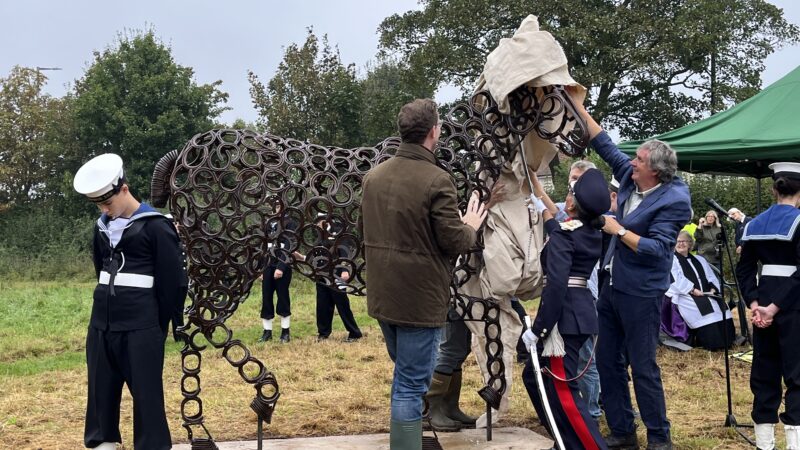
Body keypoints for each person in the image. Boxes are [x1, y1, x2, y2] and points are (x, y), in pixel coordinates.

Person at [569, 86, 692, 450]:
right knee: (608, 361)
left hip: (642, 292)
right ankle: (623, 431)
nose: (631, 162)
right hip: (612, 286)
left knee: (642, 367)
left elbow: (657, 249)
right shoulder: (630, 177)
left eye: (638, 160)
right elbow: (604, 144)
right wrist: (578, 108)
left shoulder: (674, 201)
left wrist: (619, 229)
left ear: (654, 170)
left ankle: (659, 437)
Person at [360, 98, 487, 449]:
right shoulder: (437, 180)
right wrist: (470, 226)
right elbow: (454, 241)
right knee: (411, 386)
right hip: (419, 300)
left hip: (384, 296)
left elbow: (366, 231)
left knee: (405, 377)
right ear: (435, 132)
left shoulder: (373, 177)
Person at [73, 153, 184, 450]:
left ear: (124, 188)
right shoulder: (101, 227)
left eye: (107, 203)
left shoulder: (156, 226)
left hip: (141, 327)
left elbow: (173, 282)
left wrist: (164, 325)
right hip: (101, 326)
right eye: (99, 205)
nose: (105, 210)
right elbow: (101, 271)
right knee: (100, 394)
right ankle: (103, 443)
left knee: (147, 397)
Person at [521, 168, 611, 450]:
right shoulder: (590, 230)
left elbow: (556, 286)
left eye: (569, 193)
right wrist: (542, 209)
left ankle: (590, 446)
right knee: (534, 377)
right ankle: (564, 439)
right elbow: (559, 229)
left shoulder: (567, 234)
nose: (566, 197)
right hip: (579, 311)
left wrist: (538, 331)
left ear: (572, 203)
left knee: (564, 392)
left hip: (563, 320)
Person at [735, 162, 800, 450]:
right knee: (797, 375)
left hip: (762, 303)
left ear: (774, 189)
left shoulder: (754, 224)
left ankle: (764, 444)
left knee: (764, 373)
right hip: (793, 306)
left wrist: (756, 304)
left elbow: (744, 270)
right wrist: (775, 307)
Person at [661, 231, 734, 350]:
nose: (681, 244)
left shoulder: (700, 259)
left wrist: (713, 288)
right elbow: (674, 279)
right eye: (678, 241)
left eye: (684, 241)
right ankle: (712, 343)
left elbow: (711, 276)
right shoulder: (671, 260)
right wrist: (692, 289)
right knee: (702, 309)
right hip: (683, 294)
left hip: (704, 293)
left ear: (690, 244)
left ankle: (728, 341)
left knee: (720, 306)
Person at [313, 217, 362, 342]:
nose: (317, 225)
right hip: (322, 275)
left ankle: (354, 333)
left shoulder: (337, 233)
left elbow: (344, 252)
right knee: (323, 305)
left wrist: (345, 270)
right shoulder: (319, 237)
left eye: (319, 222)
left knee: (342, 304)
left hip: (337, 275)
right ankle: (323, 333)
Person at [258, 210, 298, 343]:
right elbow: (262, 246)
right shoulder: (268, 222)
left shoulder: (290, 222)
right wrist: (260, 269)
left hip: (282, 265)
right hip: (268, 265)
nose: (276, 208)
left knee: (283, 298)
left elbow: (289, 245)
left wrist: (281, 267)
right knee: (266, 298)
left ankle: (285, 332)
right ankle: (267, 332)